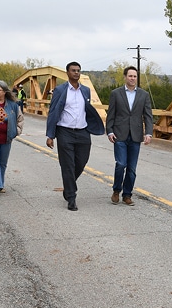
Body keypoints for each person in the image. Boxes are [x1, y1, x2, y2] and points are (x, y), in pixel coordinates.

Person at [45, 62, 105, 211]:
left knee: (81, 163)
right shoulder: (60, 90)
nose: (76, 73)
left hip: (83, 132)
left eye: (78, 71)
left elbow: (88, 110)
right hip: (65, 132)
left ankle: (68, 186)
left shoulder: (85, 90)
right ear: (67, 72)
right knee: (68, 166)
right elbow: (53, 112)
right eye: (73, 71)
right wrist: (50, 135)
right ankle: (71, 197)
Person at [106, 66, 153, 206]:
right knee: (121, 164)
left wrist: (149, 133)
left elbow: (148, 116)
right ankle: (116, 190)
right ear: (125, 77)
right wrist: (109, 131)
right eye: (130, 76)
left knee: (132, 168)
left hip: (136, 135)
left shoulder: (144, 95)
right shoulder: (116, 93)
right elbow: (111, 114)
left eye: (135, 76)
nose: (132, 78)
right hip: (119, 134)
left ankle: (127, 195)